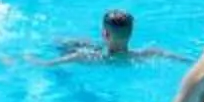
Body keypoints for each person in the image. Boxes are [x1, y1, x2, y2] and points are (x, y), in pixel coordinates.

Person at [45, 9, 179, 65]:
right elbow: (178, 58)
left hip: (100, 53)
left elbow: (46, 64)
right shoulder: (146, 54)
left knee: (67, 43)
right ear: (131, 33)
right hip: (116, 53)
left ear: (104, 34)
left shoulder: (85, 56)